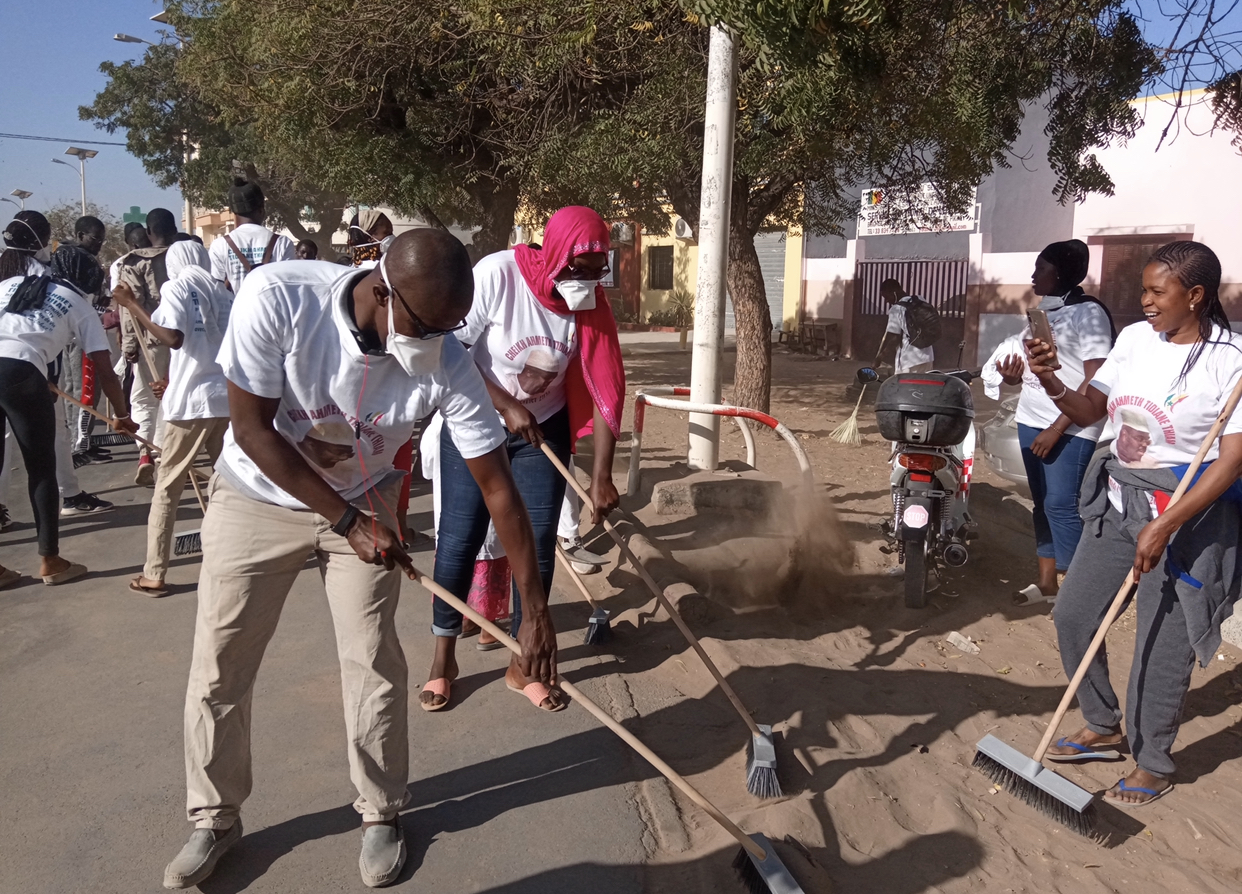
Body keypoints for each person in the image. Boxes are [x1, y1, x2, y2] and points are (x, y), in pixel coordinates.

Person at [163, 229, 557, 890]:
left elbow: (498, 488)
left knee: (372, 662)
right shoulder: (280, 297)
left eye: (449, 328)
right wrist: (343, 521)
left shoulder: (448, 360)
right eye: (426, 324)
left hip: (368, 500)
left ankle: (380, 813)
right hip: (257, 496)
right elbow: (253, 431)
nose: (434, 342)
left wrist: (535, 610)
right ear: (382, 289)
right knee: (220, 665)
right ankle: (215, 818)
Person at [1027, 241, 1242, 807]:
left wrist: (1168, 522)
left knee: (1158, 643)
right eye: (1142, 290)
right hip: (1118, 504)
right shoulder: (1133, 341)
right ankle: (1101, 724)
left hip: (1188, 519)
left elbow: (1232, 460)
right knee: (1074, 616)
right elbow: (1089, 411)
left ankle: (1153, 761)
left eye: (1156, 291)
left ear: (1194, 296)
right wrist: (1051, 381)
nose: (1143, 301)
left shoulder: (1230, 359)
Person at [422, 205, 624, 712]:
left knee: (535, 545)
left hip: (544, 429)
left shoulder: (592, 304)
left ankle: (522, 662)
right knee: (460, 538)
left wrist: (601, 476)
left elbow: (605, 389)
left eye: (596, 271)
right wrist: (506, 404)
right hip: (475, 420)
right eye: (578, 269)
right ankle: (443, 658)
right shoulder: (498, 274)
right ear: (555, 254)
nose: (586, 282)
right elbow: (451, 351)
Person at [0, 220, 136, 590]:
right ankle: (51, 561)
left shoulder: (9, 284)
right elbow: (106, 372)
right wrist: (122, 417)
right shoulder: (78, 304)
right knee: (41, 469)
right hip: (22, 373)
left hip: (12, 366)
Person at [995, 240, 1114, 606]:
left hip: (1070, 426)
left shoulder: (1088, 314)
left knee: (1062, 505)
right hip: (1031, 418)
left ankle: (1081, 597)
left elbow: (1097, 380)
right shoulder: (1045, 311)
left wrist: (1057, 427)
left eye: (1040, 268)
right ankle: (1047, 585)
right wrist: (1014, 377)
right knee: (1042, 504)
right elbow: (1040, 369)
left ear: (1060, 273)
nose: (1033, 275)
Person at [112, 242, 232, 596]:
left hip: (192, 404)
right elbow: (210, 347)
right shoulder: (222, 292)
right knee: (225, 483)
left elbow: (174, 338)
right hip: (223, 397)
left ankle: (154, 572)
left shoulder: (177, 286)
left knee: (168, 488)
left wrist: (131, 304)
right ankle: (230, 558)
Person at [117, 208, 180, 485]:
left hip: (149, 341)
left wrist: (129, 346)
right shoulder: (184, 257)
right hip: (181, 341)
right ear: (174, 229)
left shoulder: (131, 263)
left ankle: (145, 452)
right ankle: (162, 455)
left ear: (149, 233)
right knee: (170, 398)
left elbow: (129, 309)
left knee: (142, 398)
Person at [209, 177, 294, 292]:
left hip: (236, 309)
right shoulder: (282, 243)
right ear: (261, 210)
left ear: (234, 213)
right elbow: (289, 286)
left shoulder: (219, 245)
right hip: (272, 309)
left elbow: (217, 289)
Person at [874, 278, 935, 373]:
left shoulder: (896, 309)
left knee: (905, 387)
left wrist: (880, 357)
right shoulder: (920, 300)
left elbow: (893, 337)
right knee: (923, 386)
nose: (887, 301)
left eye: (886, 297)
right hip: (927, 356)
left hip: (909, 360)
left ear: (894, 292)